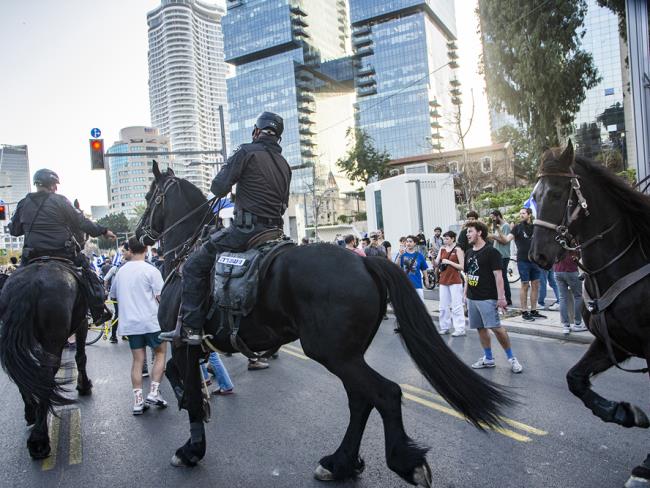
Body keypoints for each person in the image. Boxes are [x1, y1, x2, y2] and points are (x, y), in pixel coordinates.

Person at [161, 112, 291, 345]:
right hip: (275, 233)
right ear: (278, 137)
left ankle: (191, 328)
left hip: (246, 231)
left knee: (193, 265)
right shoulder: (284, 164)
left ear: (256, 131)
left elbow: (219, 187)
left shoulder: (246, 151)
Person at [8, 168, 116, 324]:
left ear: (37, 184)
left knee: (14, 281)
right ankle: (98, 311)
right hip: (63, 253)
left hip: (31, 255)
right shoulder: (60, 201)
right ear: (52, 186)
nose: (56, 188)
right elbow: (82, 222)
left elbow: (14, 230)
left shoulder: (23, 203)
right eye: (55, 185)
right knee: (89, 275)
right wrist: (103, 231)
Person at [109, 237, 167, 415]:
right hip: (152, 321)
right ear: (146, 248)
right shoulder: (151, 270)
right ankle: (154, 392)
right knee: (160, 354)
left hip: (130, 323)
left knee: (137, 361)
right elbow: (161, 297)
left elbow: (114, 295)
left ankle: (138, 401)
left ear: (130, 250)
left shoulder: (120, 272)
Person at [464, 221, 523, 373]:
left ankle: (512, 359)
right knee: (480, 328)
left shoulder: (491, 252)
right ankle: (488, 358)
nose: (467, 234)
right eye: (467, 232)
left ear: (479, 233)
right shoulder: (469, 252)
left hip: (487, 297)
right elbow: (468, 274)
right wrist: (465, 294)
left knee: (496, 328)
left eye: (470, 231)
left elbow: (499, 276)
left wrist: (501, 298)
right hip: (472, 298)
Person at [505, 208, 545, 321]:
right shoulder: (517, 227)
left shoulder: (535, 227)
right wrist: (500, 235)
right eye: (520, 213)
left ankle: (533, 310)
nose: (521, 215)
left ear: (529, 215)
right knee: (525, 285)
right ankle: (524, 311)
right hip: (523, 260)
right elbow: (508, 239)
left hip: (535, 260)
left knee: (536, 285)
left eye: (523, 213)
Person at [435, 230, 465, 336]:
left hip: (455, 280)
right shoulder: (442, 249)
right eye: (444, 238)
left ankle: (460, 328)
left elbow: (462, 267)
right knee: (443, 306)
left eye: (447, 238)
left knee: (456, 305)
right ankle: (444, 327)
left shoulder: (458, 249)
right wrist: (432, 257)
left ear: (453, 238)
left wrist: (449, 262)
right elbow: (436, 263)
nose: (445, 240)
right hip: (443, 280)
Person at [553, 253, 587, 335]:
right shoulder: (572, 241)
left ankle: (566, 325)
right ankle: (577, 324)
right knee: (578, 296)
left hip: (557, 270)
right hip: (571, 270)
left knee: (562, 298)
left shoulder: (556, 240)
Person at [488, 210, 513, 306]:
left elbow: (505, 241)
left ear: (498, 216)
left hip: (503, 254)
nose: (492, 219)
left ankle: (507, 298)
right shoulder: (497, 227)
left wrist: (494, 237)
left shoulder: (505, 226)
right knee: (498, 276)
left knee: (503, 277)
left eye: (493, 217)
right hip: (497, 254)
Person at [399, 235, 429, 301]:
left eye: (410, 241)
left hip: (417, 284)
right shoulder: (402, 255)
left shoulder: (419, 255)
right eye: (407, 242)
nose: (408, 243)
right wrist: (400, 256)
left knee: (420, 305)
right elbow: (396, 266)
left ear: (415, 243)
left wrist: (426, 279)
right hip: (405, 284)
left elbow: (424, 268)